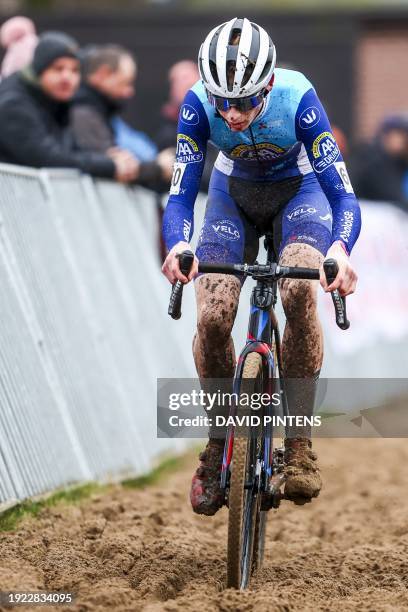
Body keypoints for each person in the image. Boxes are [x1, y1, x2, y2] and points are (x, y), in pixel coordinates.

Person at [161, 18, 361, 515]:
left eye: (246, 102)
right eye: (222, 101)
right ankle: (215, 444)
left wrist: (339, 250)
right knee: (211, 316)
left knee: (297, 289)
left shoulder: (298, 98)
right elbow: (181, 193)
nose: (231, 114)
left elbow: (343, 194)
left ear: (269, 84)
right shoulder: (197, 103)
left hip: (301, 193)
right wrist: (177, 245)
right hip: (234, 197)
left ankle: (297, 444)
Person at [0, 31, 137, 182]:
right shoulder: (13, 104)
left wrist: (106, 159)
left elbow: (68, 151)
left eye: (74, 70)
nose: (67, 77)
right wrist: (108, 166)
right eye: (58, 68)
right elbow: (46, 158)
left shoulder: (56, 102)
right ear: (40, 71)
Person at [71, 44, 173, 188]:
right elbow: (114, 168)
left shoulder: (96, 113)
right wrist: (158, 168)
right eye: (125, 83)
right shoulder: (83, 114)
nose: (129, 92)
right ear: (103, 73)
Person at [155, 59, 217, 192]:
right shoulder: (168, 133)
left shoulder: (219, 120)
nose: (187, 88)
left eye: (192, 82)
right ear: (172, 90)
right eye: (181, 81)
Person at [348, 114, 408, 210]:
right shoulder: (371, 157)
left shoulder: (399, 160)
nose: (404, 141)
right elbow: (392, 194)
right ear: (386, 135)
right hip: (365, 209)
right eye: (400, 135)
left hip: (387, 211)